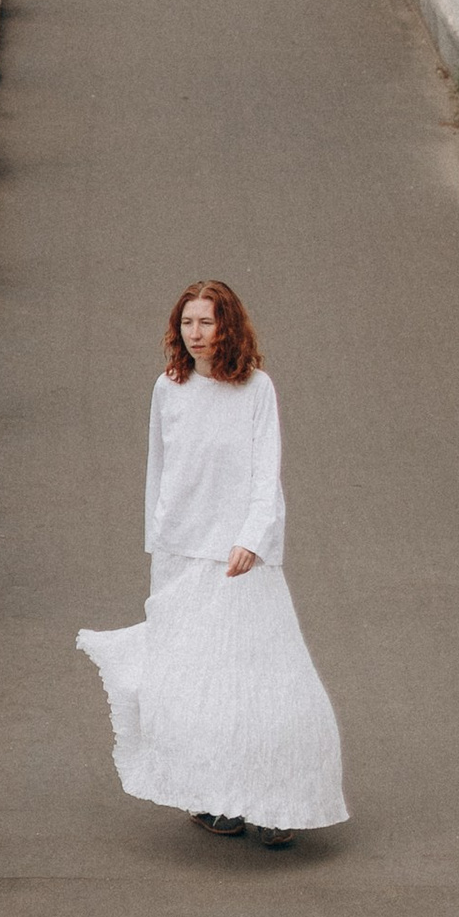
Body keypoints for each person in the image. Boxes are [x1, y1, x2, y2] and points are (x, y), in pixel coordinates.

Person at [77, 279, 346, 851]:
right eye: (186, 323)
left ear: (228, 326)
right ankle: (211, 796)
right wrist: (161, 544)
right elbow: (161, 470)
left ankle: (279, 805)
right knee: (190, 679)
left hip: (238, 558)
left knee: (262, 677)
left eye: (206, 322)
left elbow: (265, 471)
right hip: (181, 552)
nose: (194, 334)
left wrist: (252, 538)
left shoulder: (256, 389)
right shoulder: (167, 388)